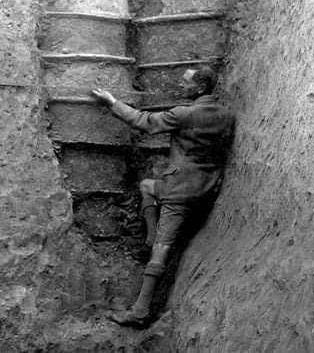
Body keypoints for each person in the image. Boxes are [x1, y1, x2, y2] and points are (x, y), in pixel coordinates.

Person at [91, 66, 234, 328]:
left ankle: (140, 311)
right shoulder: (226, 115)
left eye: (186, 82)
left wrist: (112, 101)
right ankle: (150, 234)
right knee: (147, 186)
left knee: (161, 250)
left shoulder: (184, 114)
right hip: (207, 187)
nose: (181, 85)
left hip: (180, 191)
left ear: (200, 88)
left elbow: (144, 121)